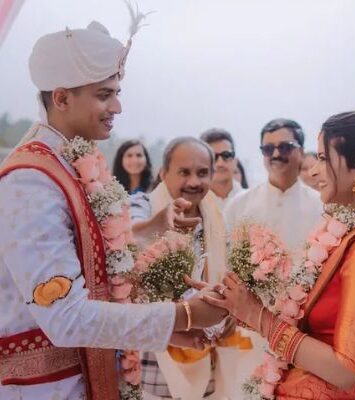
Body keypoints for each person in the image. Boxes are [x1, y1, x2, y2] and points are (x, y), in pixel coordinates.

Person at [0, 20, 226, 400]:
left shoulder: (69, 164)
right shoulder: (29, 182)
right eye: (104, 95)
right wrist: (183, 315)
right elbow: (66, 317)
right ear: (61, 98)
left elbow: (88, 261)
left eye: (117, 93)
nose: (117, 107)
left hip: (89, 375)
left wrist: (148, 230)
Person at [203, 111, 355, 399]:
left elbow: (345, 370)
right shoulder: (351, 229)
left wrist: (258, 316)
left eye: (324, 159)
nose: (313, 172)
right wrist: (237, 305)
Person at [130, 137, 254, 400]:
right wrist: (155, 225)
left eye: (202, 173)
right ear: (163, 173)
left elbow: (229, 271)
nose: (194, 182)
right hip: (157, 354)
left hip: (208, 348)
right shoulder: (144, 205)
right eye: (184, 172)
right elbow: (131, 231)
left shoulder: (216, 216)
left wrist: (230, 310)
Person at [224, 118, 322, 256]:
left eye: (285, 147)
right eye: (268, 149)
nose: (276, 154)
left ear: (301, 152)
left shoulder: (320, 206)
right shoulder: (239, 204)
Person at [200, 128, 245, 211]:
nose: (220, 163)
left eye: (226, 155)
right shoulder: (193, 205)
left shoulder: (252, 200)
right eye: (213, 157)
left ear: (235, 161)